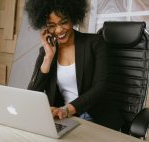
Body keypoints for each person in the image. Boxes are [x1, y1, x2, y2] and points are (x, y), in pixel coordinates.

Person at [25, 0, 124, 130]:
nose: (59, 30)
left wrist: (67, 109)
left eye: (64, 22)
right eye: (52, 25)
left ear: (73, 18)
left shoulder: (95, 44)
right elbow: (32, 94)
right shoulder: (46, 51)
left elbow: (101, 87)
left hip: (95, 117)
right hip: (64, 119)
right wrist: (48, 57)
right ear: (45, 27)